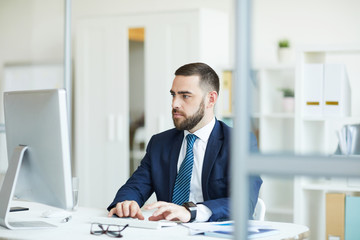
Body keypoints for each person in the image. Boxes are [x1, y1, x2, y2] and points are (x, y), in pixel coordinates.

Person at [108, 62, 262, 222]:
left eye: (185, 96)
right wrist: (126, 203)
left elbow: (245, 202)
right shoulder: (160, 143)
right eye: (173, 95)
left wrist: (191, 212)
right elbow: (135, 186)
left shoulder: (239, 143)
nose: (175, 104)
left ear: (211, 99)